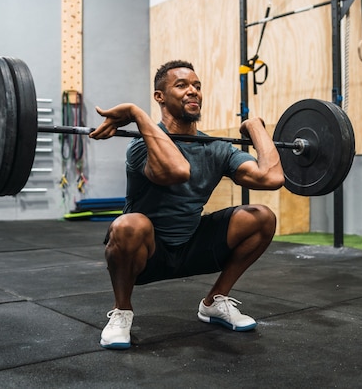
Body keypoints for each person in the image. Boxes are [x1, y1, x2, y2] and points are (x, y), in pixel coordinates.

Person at [89, 60, 284, 349]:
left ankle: (214, 302)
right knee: (129, 225)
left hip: (192, 244)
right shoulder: (142, 145)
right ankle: (122, 312)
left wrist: (256, 128)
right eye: (181, 85)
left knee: (262, 218)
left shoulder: (215, 148)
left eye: (197, 86)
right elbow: (176, 171)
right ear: (160, 97)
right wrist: (136, 114)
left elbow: (272, 177)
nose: (193, 91)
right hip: (145, 252)